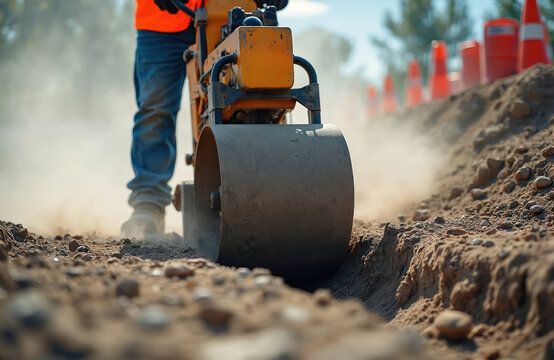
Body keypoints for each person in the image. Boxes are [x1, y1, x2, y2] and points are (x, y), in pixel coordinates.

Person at [122, 0, 288, 239]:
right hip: (163, 21)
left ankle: (267, 195)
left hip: (231, 12)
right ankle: (148, 205)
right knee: (155, 109)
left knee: (249, 98)